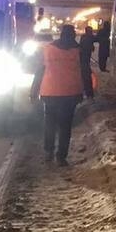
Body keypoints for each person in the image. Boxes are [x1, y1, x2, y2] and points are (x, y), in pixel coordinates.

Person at [30, 25, 84, 165]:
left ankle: (48, 152)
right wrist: (88, 92)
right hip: (70, 93)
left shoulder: (48, 50)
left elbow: (39, 72)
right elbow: (85, 72)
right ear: (72, 35)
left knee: (50, 123)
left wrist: (33, 92)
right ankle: (61, 157)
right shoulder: (78, 51)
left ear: (60, 35)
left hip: (50, 93)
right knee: (65, 126)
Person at [79, 24, 96, 100]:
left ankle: (86, 92)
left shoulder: (83, 37)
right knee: (86, 77)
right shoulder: (89, 38)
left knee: (85, 77)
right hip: (85, 60)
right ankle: (89, 93)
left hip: (82, 60)